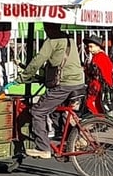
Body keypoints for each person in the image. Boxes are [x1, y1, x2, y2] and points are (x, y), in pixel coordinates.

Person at [19, 23, 86, 159]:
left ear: (47, 28)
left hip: (64, 84)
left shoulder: (52, 41)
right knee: (59, 112)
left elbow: (38, 60)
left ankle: (43, 148)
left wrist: (23, 77)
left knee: (37, 111)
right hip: (78, 82)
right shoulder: (69, 39)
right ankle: (77, 139)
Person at [82, 35, 113, 116]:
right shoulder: (102, 56)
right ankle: (101, 120)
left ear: (98, 46)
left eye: (91, 47)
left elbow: (96, 72)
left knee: (89, 103)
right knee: (97, 103)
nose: (89, 49)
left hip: (97, 84)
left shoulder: (99, 57)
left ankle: (98, 119)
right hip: (101, 85)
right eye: (88, 47)